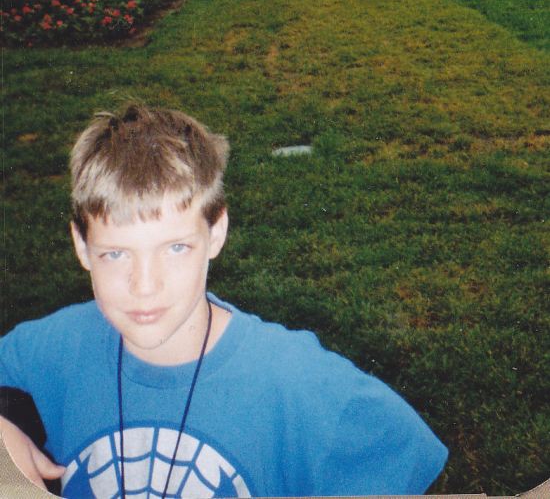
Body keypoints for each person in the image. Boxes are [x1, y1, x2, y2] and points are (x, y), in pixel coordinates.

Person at [1, 104, 448, 498]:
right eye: (115, 254)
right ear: (82, 246)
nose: (144, 285)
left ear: (216, 232)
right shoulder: (53, 346)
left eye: (175, 248)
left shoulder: (294, 381)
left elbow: (401, 451)